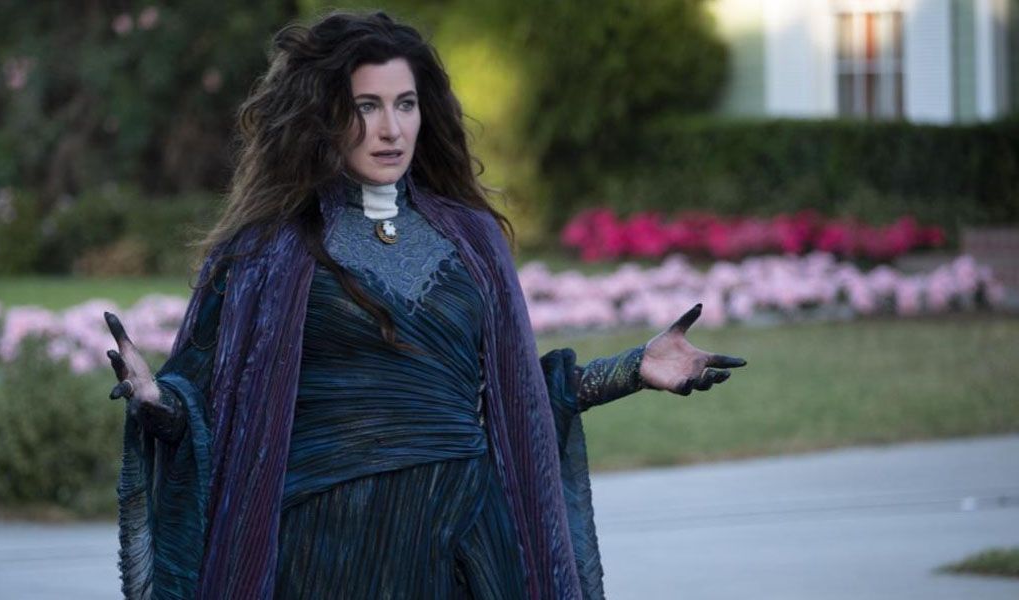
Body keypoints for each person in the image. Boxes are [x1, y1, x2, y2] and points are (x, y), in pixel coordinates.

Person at [103, 11, 745, 600]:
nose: (391, 129)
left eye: (405, 104)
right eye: (367, 106)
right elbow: (213, 401)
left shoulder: (472, 238)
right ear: (323, 117)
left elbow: (518, 398)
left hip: (465, 546)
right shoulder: (267, 251)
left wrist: (632, 369)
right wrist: (159, 404)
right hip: (325, 553)